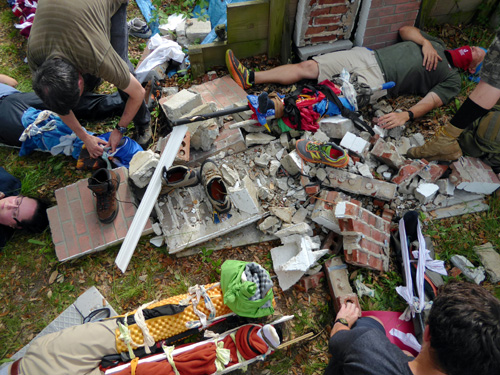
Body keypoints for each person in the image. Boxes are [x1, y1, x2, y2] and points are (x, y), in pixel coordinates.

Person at [226, 26, 485, 129]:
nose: (474, 49)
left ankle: (274, 110)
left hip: (378, 81)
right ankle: (250, 77)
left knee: (322, 99)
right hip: (366, 57)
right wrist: (426, 44)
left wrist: (406, 115)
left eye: (478, 54)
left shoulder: (453, 80)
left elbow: (433, 101)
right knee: (308, 67)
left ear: (472, 69)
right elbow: (406, 29)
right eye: (476, 46)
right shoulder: (436, 44)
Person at [27, 0, 152, 160]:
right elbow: (56, 103)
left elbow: (138, 92)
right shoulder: (37, 59)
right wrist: (84, 137)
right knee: (65, 95)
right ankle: (92, 82)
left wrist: (119, 129)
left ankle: (143, 124)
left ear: (80, 80)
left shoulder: (97, 57)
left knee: (123, 69)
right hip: (71, 17)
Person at [326, 281, 500, 375]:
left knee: (370, 322)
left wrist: (342, 320)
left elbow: (336, 338)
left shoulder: (366, 345)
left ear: (428, 332)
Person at [407, 29, 500, 161]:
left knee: (494, 76)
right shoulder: (439, 47)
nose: (473, 48)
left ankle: (444, 142)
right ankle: (445, 142)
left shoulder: (453, 79)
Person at [0, 74, 126, 147]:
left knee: (65, 100)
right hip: (6, 110)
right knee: (46, 132)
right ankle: (106, 148)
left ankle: (125, 102)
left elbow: (12, 82)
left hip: (12, 98)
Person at [0, 167, 49, 249]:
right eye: (17, 202)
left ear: (14, 226)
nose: (8, 205)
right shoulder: (7, 183)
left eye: (14, 213)